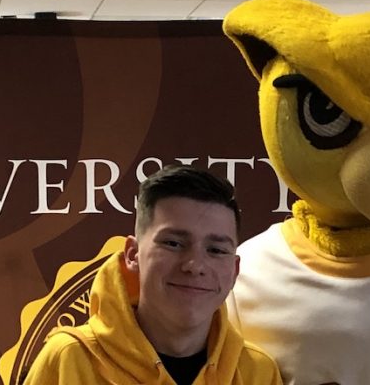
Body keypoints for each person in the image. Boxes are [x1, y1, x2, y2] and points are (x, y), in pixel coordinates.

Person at [24, 164, 282, 385]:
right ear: (132, 254)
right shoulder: (68, 360)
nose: (194, 265)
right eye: (173, 243)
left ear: (234, 270)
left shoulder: (257, 373)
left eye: (215, 250)